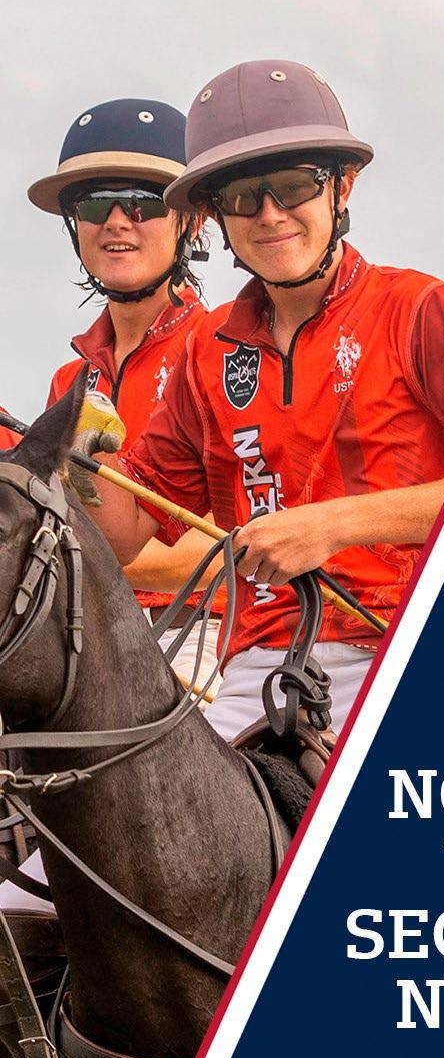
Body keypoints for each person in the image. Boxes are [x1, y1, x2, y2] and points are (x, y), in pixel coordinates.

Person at [85, 60, 444, 742]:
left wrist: (330, 526)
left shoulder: (418, 308)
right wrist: (76, 456)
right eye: (243, 196)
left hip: (401, 644)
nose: (270, 215)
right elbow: (126, 533)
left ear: (342, 185)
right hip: (258, 673)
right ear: (215, 215)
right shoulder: (209, 349)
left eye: (294, 186)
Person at [26, 99, 221, 689]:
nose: (116, 221)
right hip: (81, 630)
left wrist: (65, 563)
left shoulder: (226, 351)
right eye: (94, 204)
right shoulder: (71, 379)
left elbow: (218, 549)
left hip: (202, 633)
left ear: (191, 222)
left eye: (143, 203)